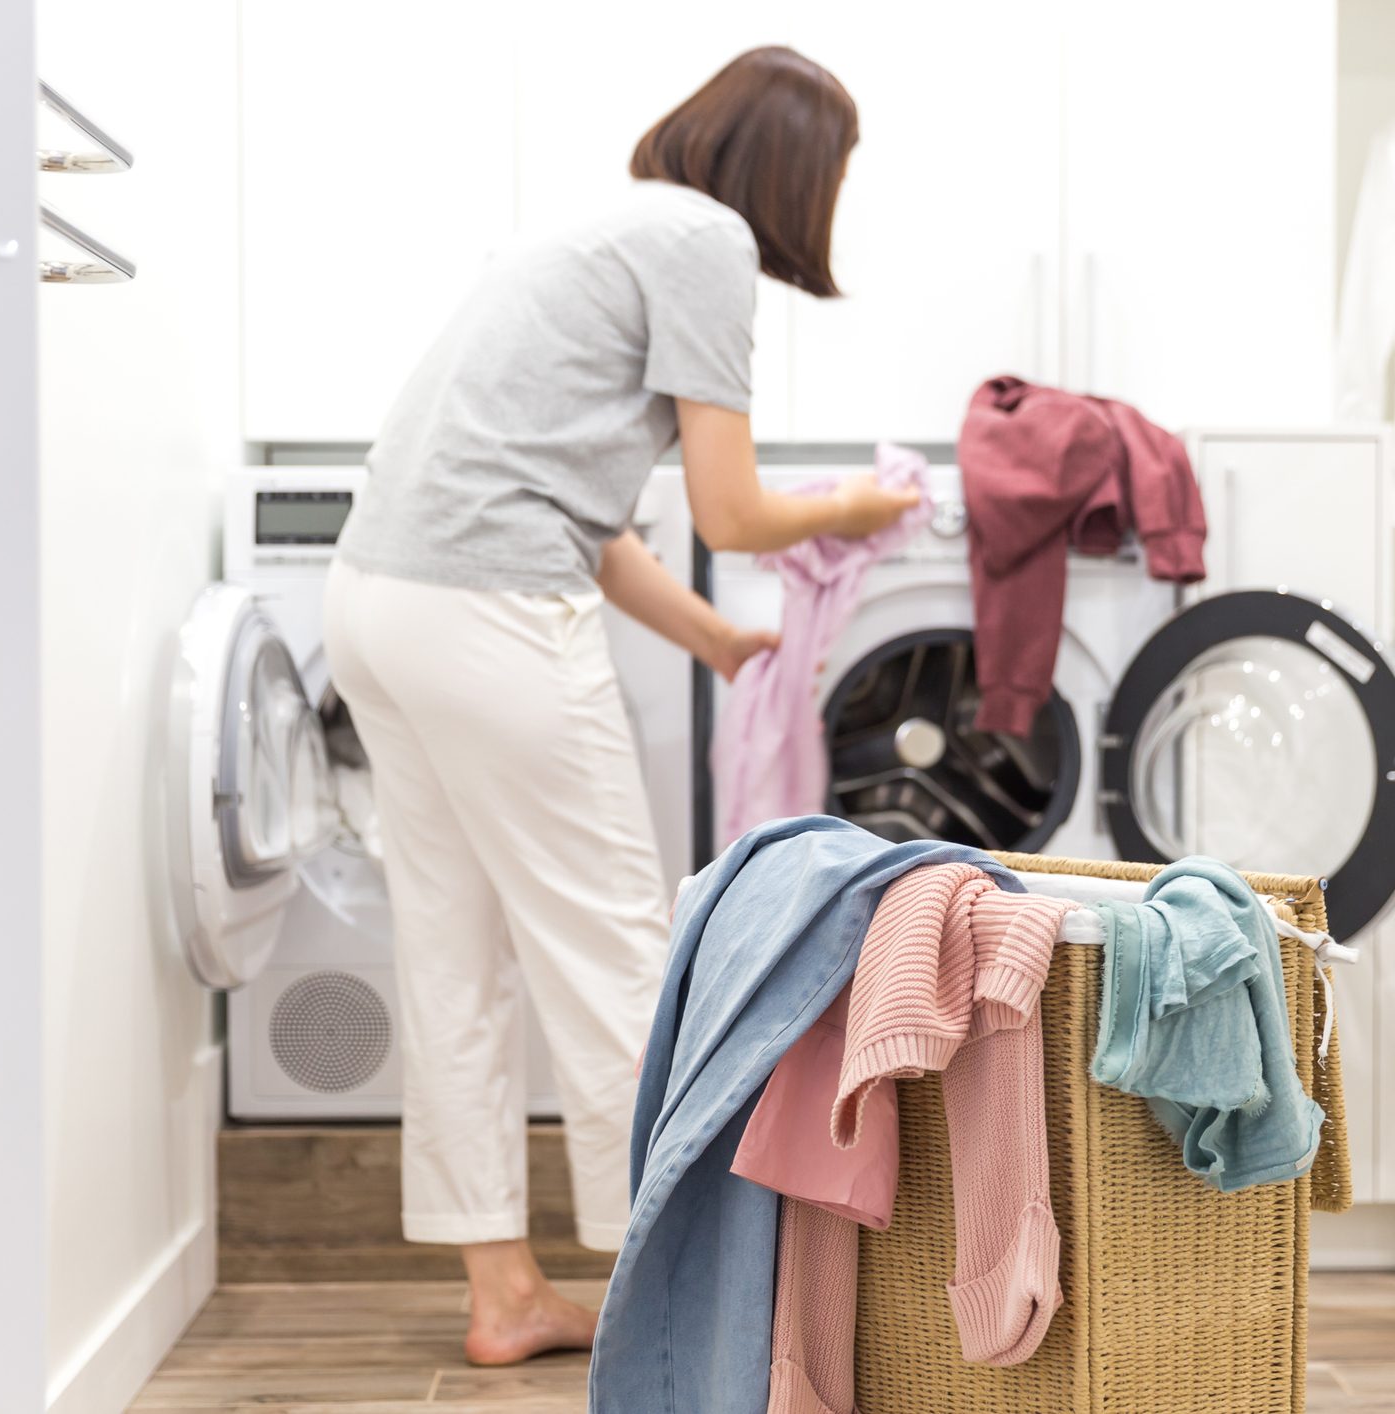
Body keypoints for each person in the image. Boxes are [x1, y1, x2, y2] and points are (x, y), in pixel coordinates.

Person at [322, 46, 918, 1365]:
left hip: (375, 599)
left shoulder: (595, 232)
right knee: (621, 963)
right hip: (484, 615)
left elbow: (578, 511)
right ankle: (696, 1303)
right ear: (794, 167)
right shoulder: (704, 244)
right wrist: (861, 507)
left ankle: (504, 1292)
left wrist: (712, 637)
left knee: (453, 960)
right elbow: (730, 510)